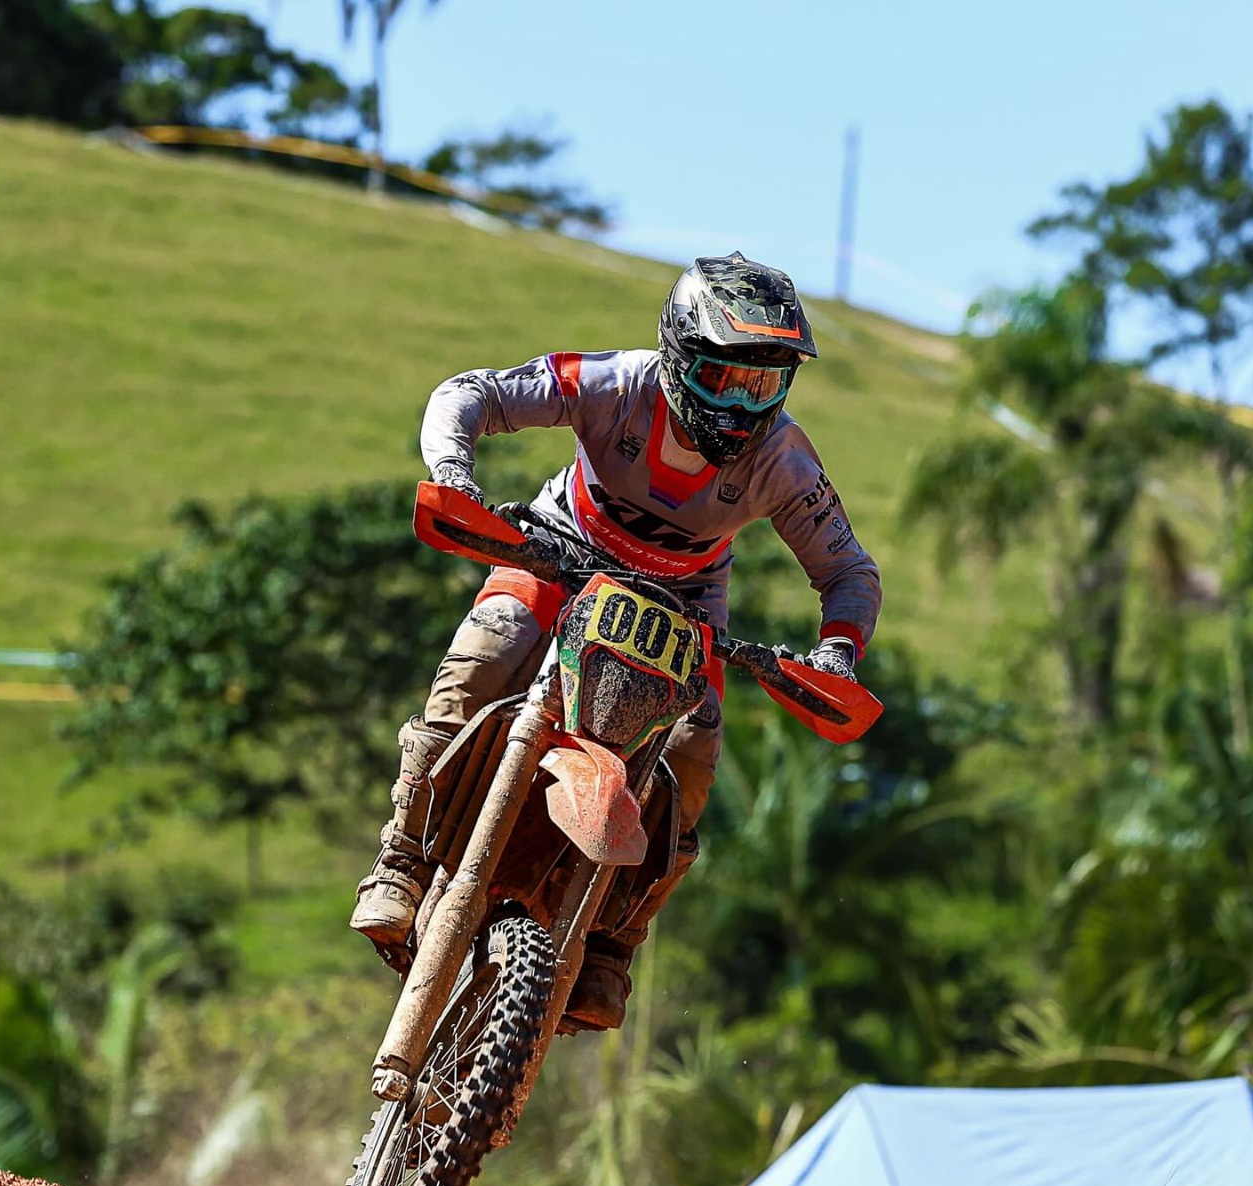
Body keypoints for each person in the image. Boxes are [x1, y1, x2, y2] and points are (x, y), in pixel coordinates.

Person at [350, 251, 882, 1030]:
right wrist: (455, 472)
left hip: (686, 608)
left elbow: (850, 571)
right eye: (727, 377)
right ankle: (400, 857)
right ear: (679, 352)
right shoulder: (614, 385)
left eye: (764, 384)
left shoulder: (785, 459)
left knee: (693, 759)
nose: (743, 406)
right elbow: (469, 392)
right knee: (484, 657)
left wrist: (837, 651)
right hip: (559, 554)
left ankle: (611, 945)